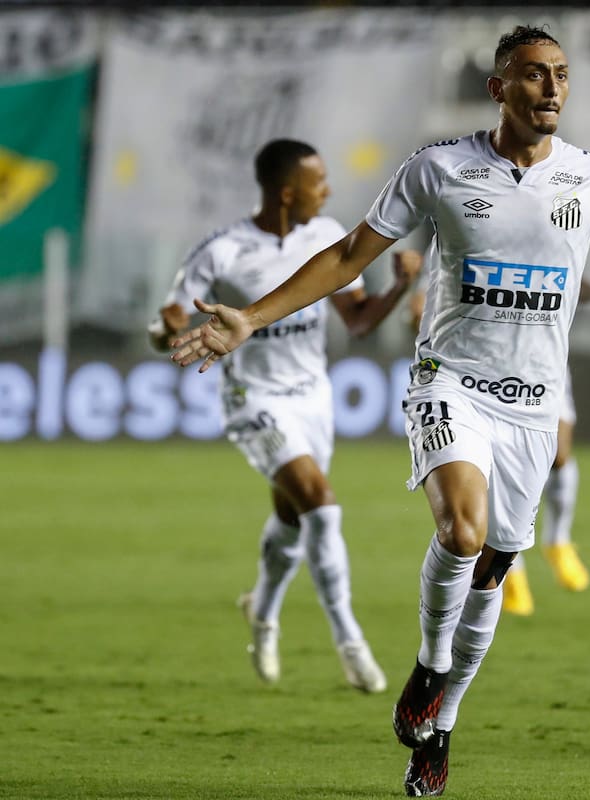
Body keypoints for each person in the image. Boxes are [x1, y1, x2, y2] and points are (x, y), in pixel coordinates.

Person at [169, 26, 590, 797]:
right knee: (462, 531)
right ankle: (431, 663)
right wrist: (252, 316)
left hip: (535, 409)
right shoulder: (439, 169)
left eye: (562, 76)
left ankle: (439, 723)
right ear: (499, 87)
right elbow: (349, 257)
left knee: (496, 566)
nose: (552, 89)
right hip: (452, 384)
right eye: (535, 75)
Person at [150, 139, 420, 693]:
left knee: (294, 518)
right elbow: (169, 327)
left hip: (311, 397)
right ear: (287, 191)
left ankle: (263, 612)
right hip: (254, 398)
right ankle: (350, 642)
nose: (329, 191)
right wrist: (164, 328)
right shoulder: (221, 251)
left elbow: (361, 322)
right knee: (321, 505)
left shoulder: (326, 236)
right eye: (319, 183)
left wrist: (398, 285)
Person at [502, 274, 590, 616]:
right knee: (504, 471)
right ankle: (511, 571)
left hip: (545, 364)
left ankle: (558, 541)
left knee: (559, 454)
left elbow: (563, 279)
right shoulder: (474, 231)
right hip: (488, 367)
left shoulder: (546, 233)